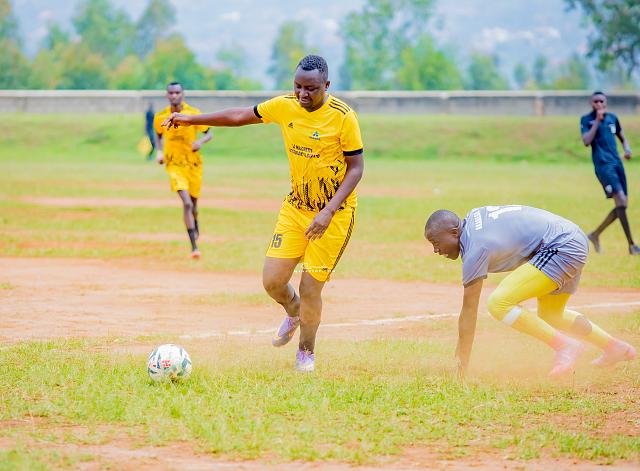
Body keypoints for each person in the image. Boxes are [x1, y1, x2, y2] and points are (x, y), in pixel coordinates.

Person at [162, 55, 364, 372]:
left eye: (311, 89)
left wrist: (328, 211)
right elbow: (239, 115)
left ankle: (306, 354)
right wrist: (189, 120)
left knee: (311, 288)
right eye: (298, 86)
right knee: (272, 281)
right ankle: (294, 311)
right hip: (296, 208)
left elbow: (356, 168)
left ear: (326, 85)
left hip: (333, 215)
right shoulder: (285, 106)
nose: (302, 94)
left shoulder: (343, 117)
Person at [424, 205, 636, 378]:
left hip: (559, 246)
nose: (436, 250)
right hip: (572, 237)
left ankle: (566, 346)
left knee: (499, 303)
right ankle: (614, 347)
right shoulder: (473, 218)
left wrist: (462, 363)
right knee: (552, 315)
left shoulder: (475, 247)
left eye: (436, 242)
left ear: (454, 232)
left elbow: (469, 311)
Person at [154, 82, 212, 259]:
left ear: (182, 94)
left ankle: (195, 221)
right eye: (171, 93)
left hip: (193, 164)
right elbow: (158, 135)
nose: (174, 95)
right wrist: (159, 152)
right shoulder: (161, 116)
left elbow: (209, 133)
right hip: (174, 164)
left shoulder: (193, 113)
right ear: (167, 95)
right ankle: (194, 246)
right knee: (186, 203)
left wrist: (199, 142)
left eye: (177, 92)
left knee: (193, 204)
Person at [580, 91, 639, 255]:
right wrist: (597, 122)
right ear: (591, 103)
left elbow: (622, 137)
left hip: (617, 164)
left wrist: (627, 149)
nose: (599, 104)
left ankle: (595, 234)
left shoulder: (613, 118)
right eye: (596, 101)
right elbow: (586, 141)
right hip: (603, 165)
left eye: (601, 101)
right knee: (621, 201)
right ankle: (632, 245)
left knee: (622, 205)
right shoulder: (586, 120)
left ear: (605, 102)